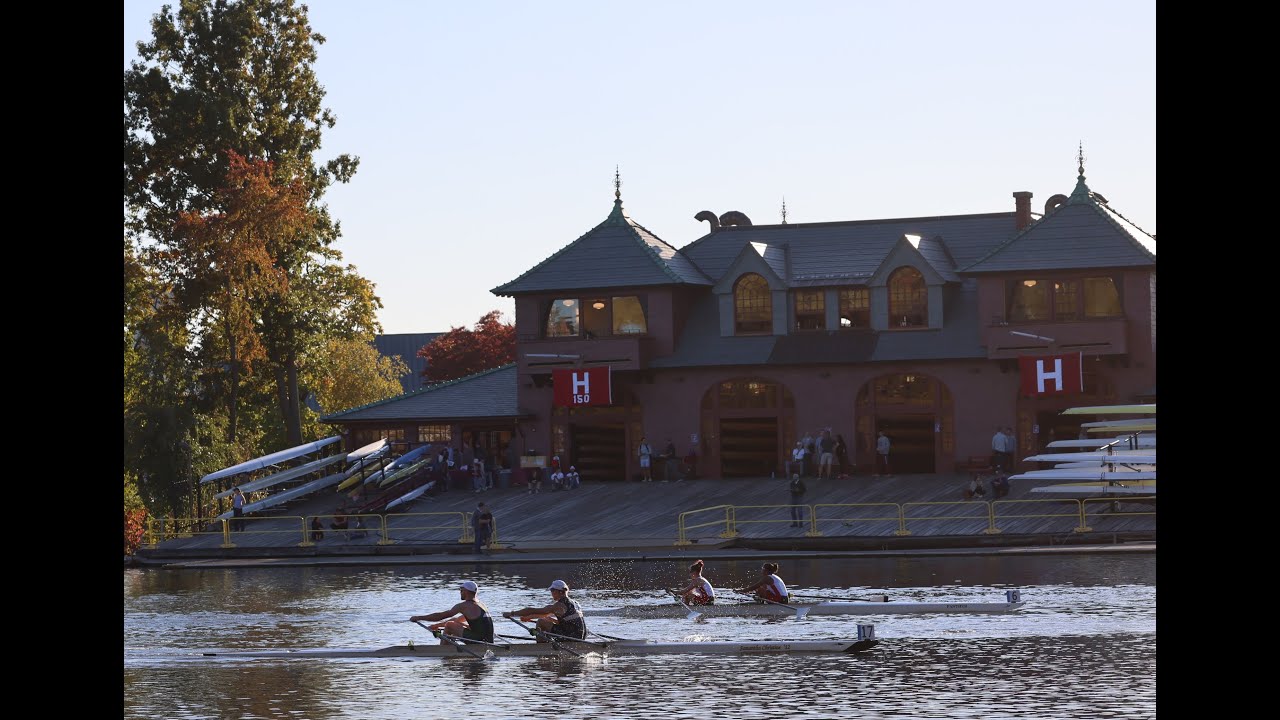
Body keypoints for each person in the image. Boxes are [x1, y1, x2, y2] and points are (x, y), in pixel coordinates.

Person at [409, 580, 495, 645]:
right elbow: (457, 620)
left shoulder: (464, 606)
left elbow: (441, 616)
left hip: (480, 641)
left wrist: (419, 618)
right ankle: (449, 646)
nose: (460, 592)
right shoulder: (480, 605)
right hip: (488, 640)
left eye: (461, 590)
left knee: (449, 625)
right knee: (454, 623)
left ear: (466, 591)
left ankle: (444, 650)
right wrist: (436, 626)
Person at [502, 579, 588, 641]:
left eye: (552, 590)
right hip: (581, 636)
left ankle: (541, 646)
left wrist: (512, 613)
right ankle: (548, 641)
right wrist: (529, 617)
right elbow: (568, 623)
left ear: (560, 592)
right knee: (544, 620)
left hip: (573, 638)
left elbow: (532, 610)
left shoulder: (559, 606)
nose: (551, 593)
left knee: (540, 622)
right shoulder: (575, 603)